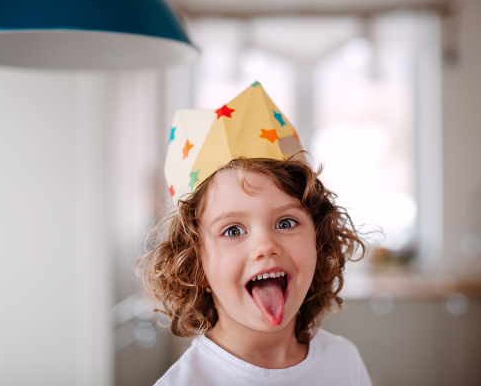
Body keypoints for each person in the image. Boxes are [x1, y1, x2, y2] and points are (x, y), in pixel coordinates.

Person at [137, 83, 372, 385]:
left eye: (286, 223)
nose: (265, 246)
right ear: (195, 261)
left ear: (318, 237)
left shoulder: (344, 362)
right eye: (233, 230)